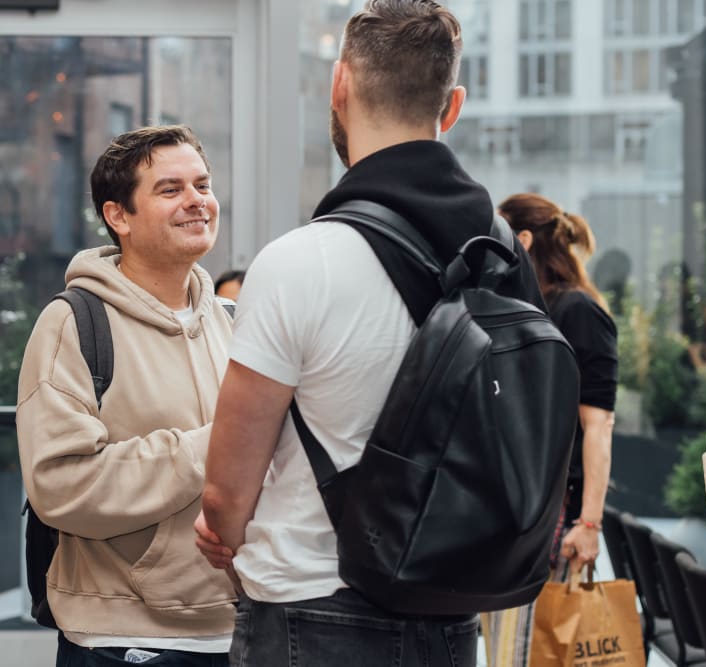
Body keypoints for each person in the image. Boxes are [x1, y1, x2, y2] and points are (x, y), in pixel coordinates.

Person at [193, 2, 545, 665]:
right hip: (451, 614)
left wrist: (225, 534)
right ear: (452, 106)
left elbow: (225, 492)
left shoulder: (297, 262)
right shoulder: (501, 257)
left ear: (339, 86)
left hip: (311, 610)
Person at [16, 124, 236, 666]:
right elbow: (61, 487)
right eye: (170, 190)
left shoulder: (233, 321)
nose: (196, 201)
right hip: (124, 641)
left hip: (242, 630)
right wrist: (215, 446)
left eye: (202, 185)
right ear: (119, 216)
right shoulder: (72, 323)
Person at [481, 193, 618, 666]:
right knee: (506, 652)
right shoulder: (518, 308)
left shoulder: (577, 310)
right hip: (510, 519)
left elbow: (598, 423)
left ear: (523, 239)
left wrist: (589, 522)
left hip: (552, 522)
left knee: (526, 653)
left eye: (499, 231)